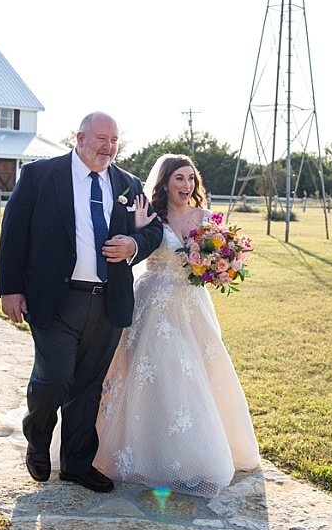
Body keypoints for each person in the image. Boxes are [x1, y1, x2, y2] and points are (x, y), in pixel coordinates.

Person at [0, 112, 164, 493]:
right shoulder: (42, 176)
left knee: (90, 388)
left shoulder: (128, 183)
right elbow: (14, 230)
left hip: (108, 302)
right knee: (53, 378)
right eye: (101, 138)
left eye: (114, 141)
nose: (108, 147)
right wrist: (10, 288)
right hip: (56, 299)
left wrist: (134, 244)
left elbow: (154, 228)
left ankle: (77, 463)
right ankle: (38, 441)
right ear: (80, 137)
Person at [92, 154, 260, 498]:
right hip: (153, 304)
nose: (187, 186)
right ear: (166, 181)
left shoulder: (205, 217)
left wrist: (222, 266)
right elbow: (134, 253)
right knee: (158, 373)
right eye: (179, 179)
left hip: (192, 305)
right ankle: (148, 452)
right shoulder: (152, 215)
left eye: (190, 179)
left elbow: (220, 256)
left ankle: (197, 457)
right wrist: (138, 228)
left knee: (198, 374)